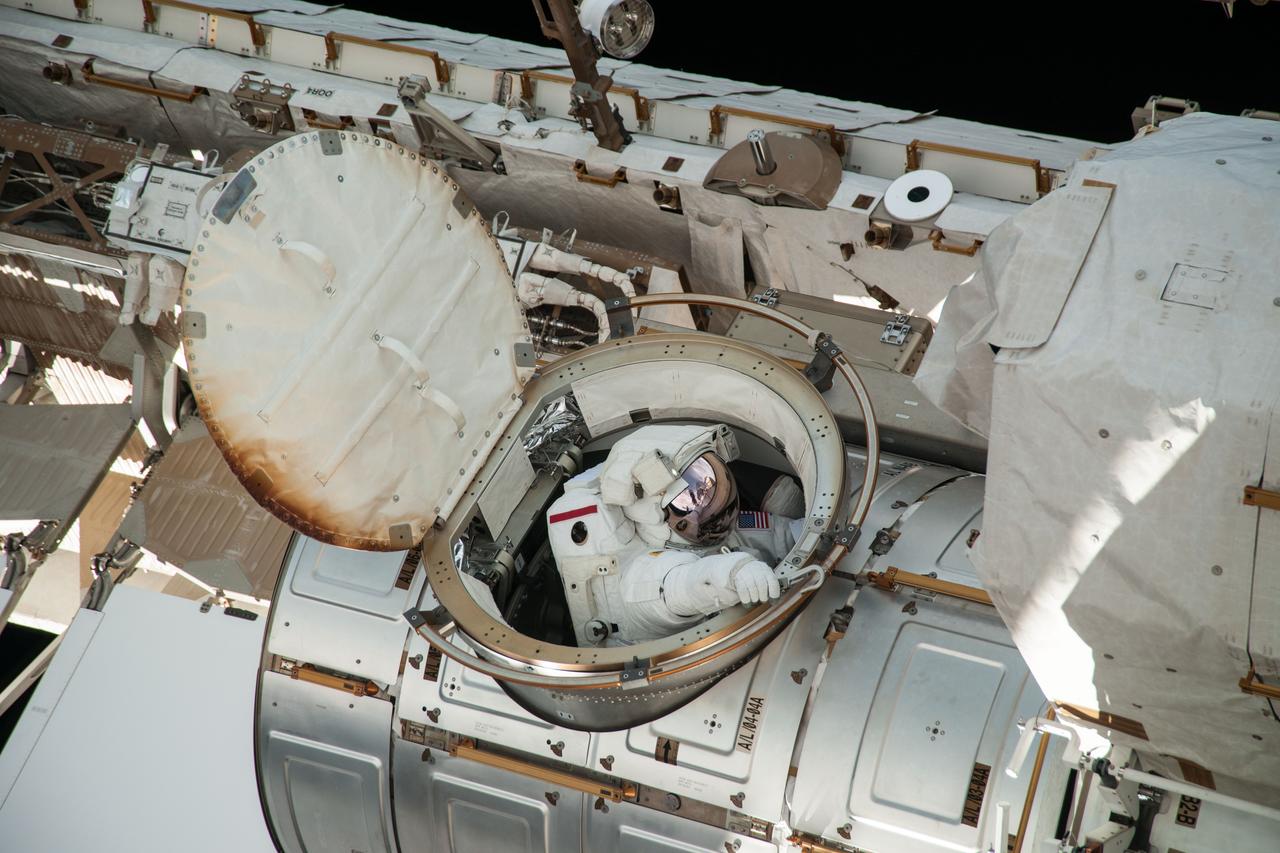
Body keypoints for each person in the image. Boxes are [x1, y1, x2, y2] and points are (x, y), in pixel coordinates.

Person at [544, 423, 804, 646]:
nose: (712, 506)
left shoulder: (723, 529)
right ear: (658, 518)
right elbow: (687, 585)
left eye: (707, 483)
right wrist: (734, 573)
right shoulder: (646, 573)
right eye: (690, 501)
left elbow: (777, 534)